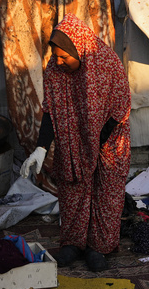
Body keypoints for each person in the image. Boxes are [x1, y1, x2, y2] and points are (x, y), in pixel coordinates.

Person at [21, 14, 131, 272]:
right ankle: (73, 243)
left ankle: (98, 247)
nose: (59, 62)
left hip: (110, 138)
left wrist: (95, 144)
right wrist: (41, 147)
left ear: (78, 48)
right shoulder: (55, 69)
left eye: (64, 57)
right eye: (56, 56)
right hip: (73, 140)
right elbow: (51, 110)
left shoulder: (106, 62)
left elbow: (120, 107)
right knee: (73, 188)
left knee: (106, 193)